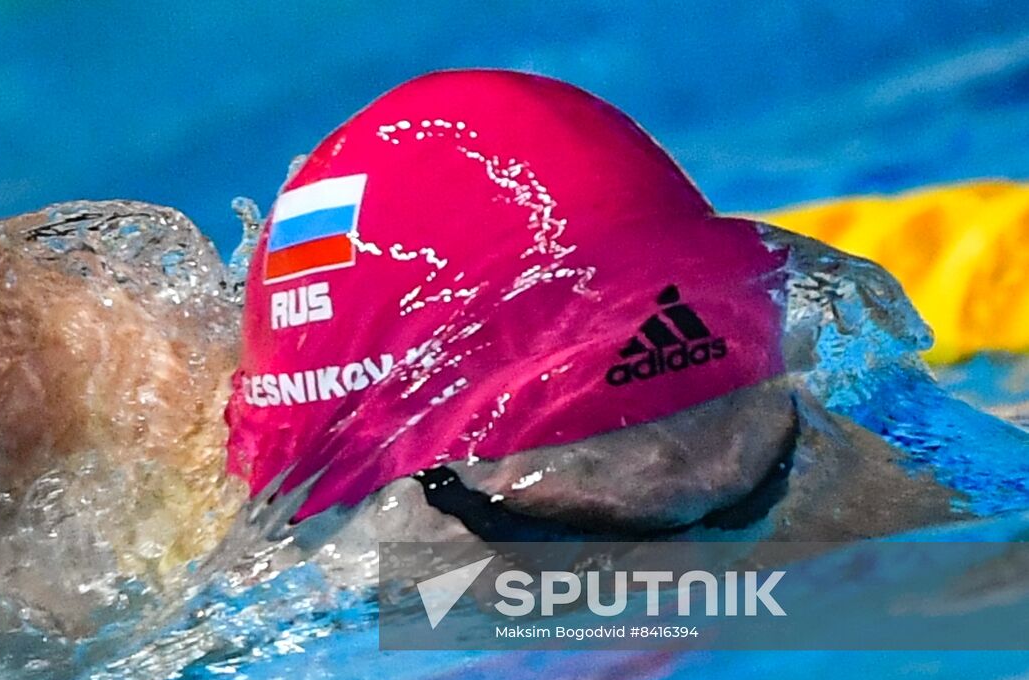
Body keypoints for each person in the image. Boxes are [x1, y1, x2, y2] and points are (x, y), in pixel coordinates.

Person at [224, 70, 1018, 576]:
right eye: (570, 539)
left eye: (752, 500)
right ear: (337, 515)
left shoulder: (872, 487)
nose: (696, 590)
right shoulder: (171, 608)